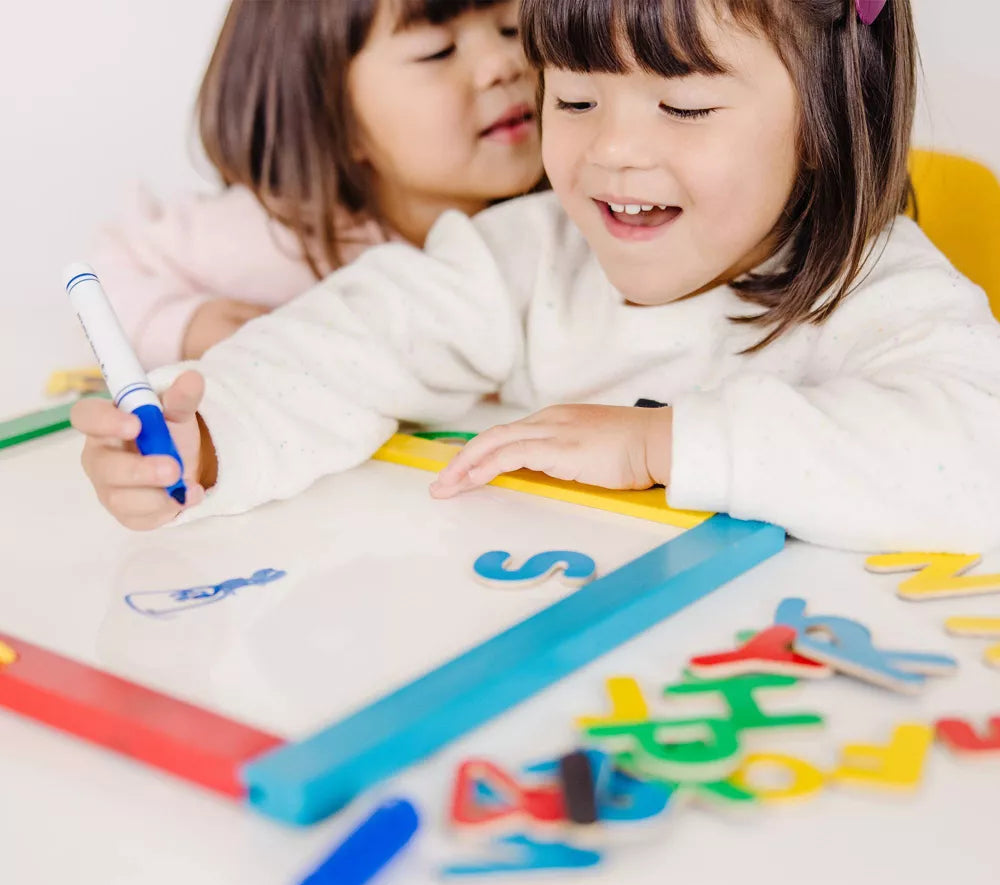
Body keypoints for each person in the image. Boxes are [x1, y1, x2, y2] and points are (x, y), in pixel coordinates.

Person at [72, 0, 1000, 552]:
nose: (613, 149)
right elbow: (347, 344)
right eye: (576, 96)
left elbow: (976, 457)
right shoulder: (527, 252)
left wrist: (659, 446)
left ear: (830, 119)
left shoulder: (875, 283)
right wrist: (208, 439)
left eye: (684, 105)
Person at [89, 0, 543, 366]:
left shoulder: (569, 215)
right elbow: (103, 276)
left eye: (510, 27)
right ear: (331, 119)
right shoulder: (275, 238)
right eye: (438, 50)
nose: (506, 62)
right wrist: (184, 325)